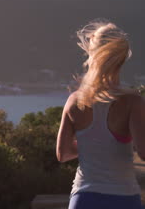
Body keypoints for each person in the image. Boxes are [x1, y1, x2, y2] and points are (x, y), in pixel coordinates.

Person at [56, 21, 145, 209]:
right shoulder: (132, 101)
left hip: (83, 199)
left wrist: (93, 144)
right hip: (123, 198)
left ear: (92, 52)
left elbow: (62, 154)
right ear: (121, 58)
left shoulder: (74, 101)